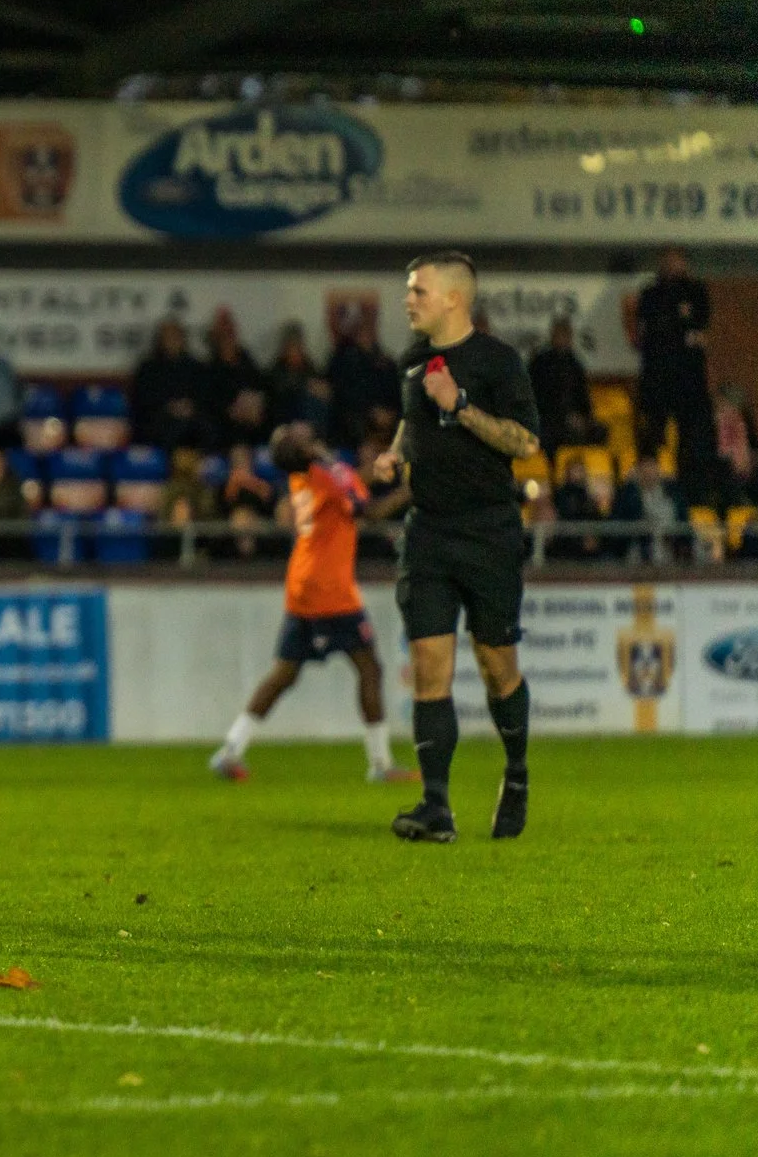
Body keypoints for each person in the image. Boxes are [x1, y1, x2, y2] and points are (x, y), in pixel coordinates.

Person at [369, 252, 542, 844]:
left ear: (453, 299)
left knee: (498, 668)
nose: (408, 299)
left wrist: (461, 407)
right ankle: (436, 805)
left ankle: (516, 774)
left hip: (490, 531)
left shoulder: (499, 362)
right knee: (428, 669)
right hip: (429, 532)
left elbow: (523, 443)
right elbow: (411, 420)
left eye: (417, 290)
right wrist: (397, 451)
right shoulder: (412, 360)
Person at [210, 424, 412, 784]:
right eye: (298, 436)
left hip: (302, 585)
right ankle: (380, 764)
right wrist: (408, 492)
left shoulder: (307, 478)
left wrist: (374, 471)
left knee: (284, 674)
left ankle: (230, 749)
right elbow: (366, 511)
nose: (306, 432)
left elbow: (347, 481)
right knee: (370, 669)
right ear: (303, 452)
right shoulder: (324, 476)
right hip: (329, 590)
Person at [631, 248, 716, 501]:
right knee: (652, 435)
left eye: (675, 261)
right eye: (666, 261)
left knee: (690, 438)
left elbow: (700, 329)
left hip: (689, 381)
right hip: (656, 379)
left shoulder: (697, 291)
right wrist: (679, 329)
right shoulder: (650, 293)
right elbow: (650, 330)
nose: (670, 266)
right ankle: (650, 485)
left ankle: (689, 491)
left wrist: (679, 330)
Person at [131, 318, 209, 451]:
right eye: (168, 337)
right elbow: (142, 400)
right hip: (159, 420)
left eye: (176, 336)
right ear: (159, 340)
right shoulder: (148, 368)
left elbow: (204, 396)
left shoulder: (195, 366)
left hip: (191, 419)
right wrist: (170, 407)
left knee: (205, 428)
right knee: (172, 427)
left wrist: (189, 406)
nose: (172, 341)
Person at [325, 315, 401, 450]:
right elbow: (343, 393)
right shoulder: (344, 359)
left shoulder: (385, 361)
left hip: (386, 415)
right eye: (362, 332)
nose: (366, 336)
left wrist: (390, 413)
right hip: (357, 419)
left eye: (369, 331)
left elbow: (395, 390)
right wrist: (371, 411)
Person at [529, 318, 602, 449]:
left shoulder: (575, 364)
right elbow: (537, 397)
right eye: (560, 335)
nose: (563, 339)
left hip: (573, 419)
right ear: (553, 336)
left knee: (599, 432)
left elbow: (583, 397)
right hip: (548, 420)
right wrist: (565, 417)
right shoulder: (540, 363)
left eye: (566, 335)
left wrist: (585, 419)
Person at [200, 310, 268, 451]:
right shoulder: (210, 367)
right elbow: (207, 401)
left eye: (230, 331)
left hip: (251, 424)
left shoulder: (247, 361)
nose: (227, 336)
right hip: (223, 427)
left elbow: (260, 388)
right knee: (235, 436)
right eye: (223, 332)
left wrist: (254, 406)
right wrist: (230, 410)